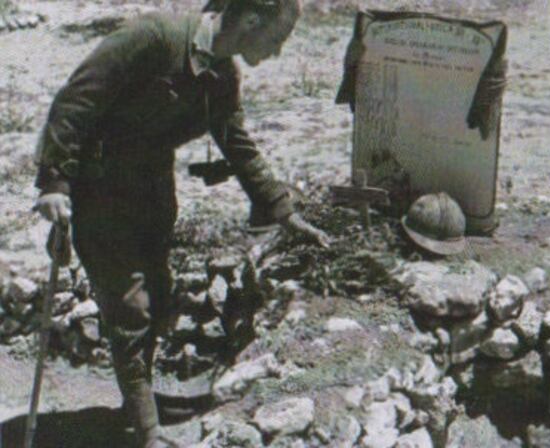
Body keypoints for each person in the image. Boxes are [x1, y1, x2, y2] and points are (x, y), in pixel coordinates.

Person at [32, 0, 329, 446]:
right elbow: (77, 100)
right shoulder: (153, 38)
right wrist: (54, 181)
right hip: (100, 194)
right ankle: (146, 430)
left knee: (159, 296)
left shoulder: (222, 76)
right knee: (131, 309)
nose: (278, 53)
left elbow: (237, 143)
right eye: (277, 39)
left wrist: (283, 210)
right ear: (250, 21)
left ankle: (137, 402)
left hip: (152, 196)